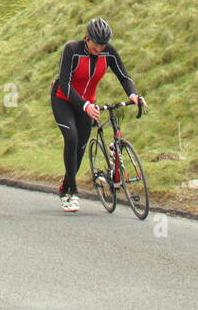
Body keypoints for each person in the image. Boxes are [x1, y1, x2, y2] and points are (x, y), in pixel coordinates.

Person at [50, 17, 145, 212]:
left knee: (81, 147)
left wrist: (133, 94)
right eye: (96, 44)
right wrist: (85, 105)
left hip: (87, 102)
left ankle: (65, 186)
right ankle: (72, 193)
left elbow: (123, 75)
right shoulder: (72, 50)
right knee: (72, 138)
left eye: (103, 44)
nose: (99, 48)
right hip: (64, 99)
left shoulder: (108, 52)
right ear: (87, 37)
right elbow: (65, 84)